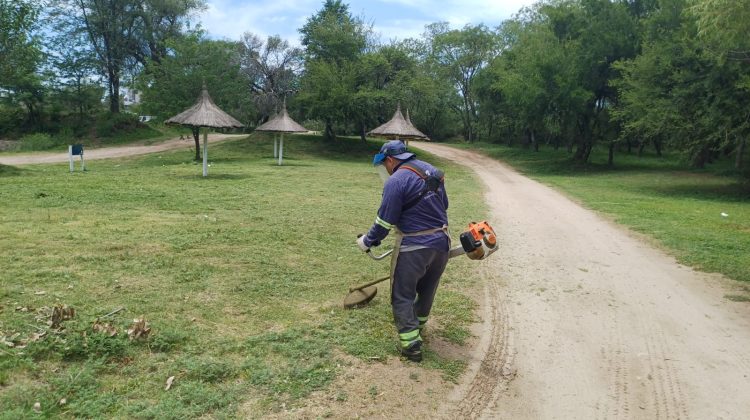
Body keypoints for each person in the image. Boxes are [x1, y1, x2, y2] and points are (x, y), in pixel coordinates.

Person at [356, 140, 450, 362]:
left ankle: (411, 346)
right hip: (442, 244)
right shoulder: (433, 171)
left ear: (390, 160)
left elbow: (384, 222)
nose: (386, 170)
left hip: (414, 247)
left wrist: (367, 241)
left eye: (384, 165)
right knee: (427, 289)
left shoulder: (396, 181)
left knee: (402, 294)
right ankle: (417, 326)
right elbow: (443, 205)